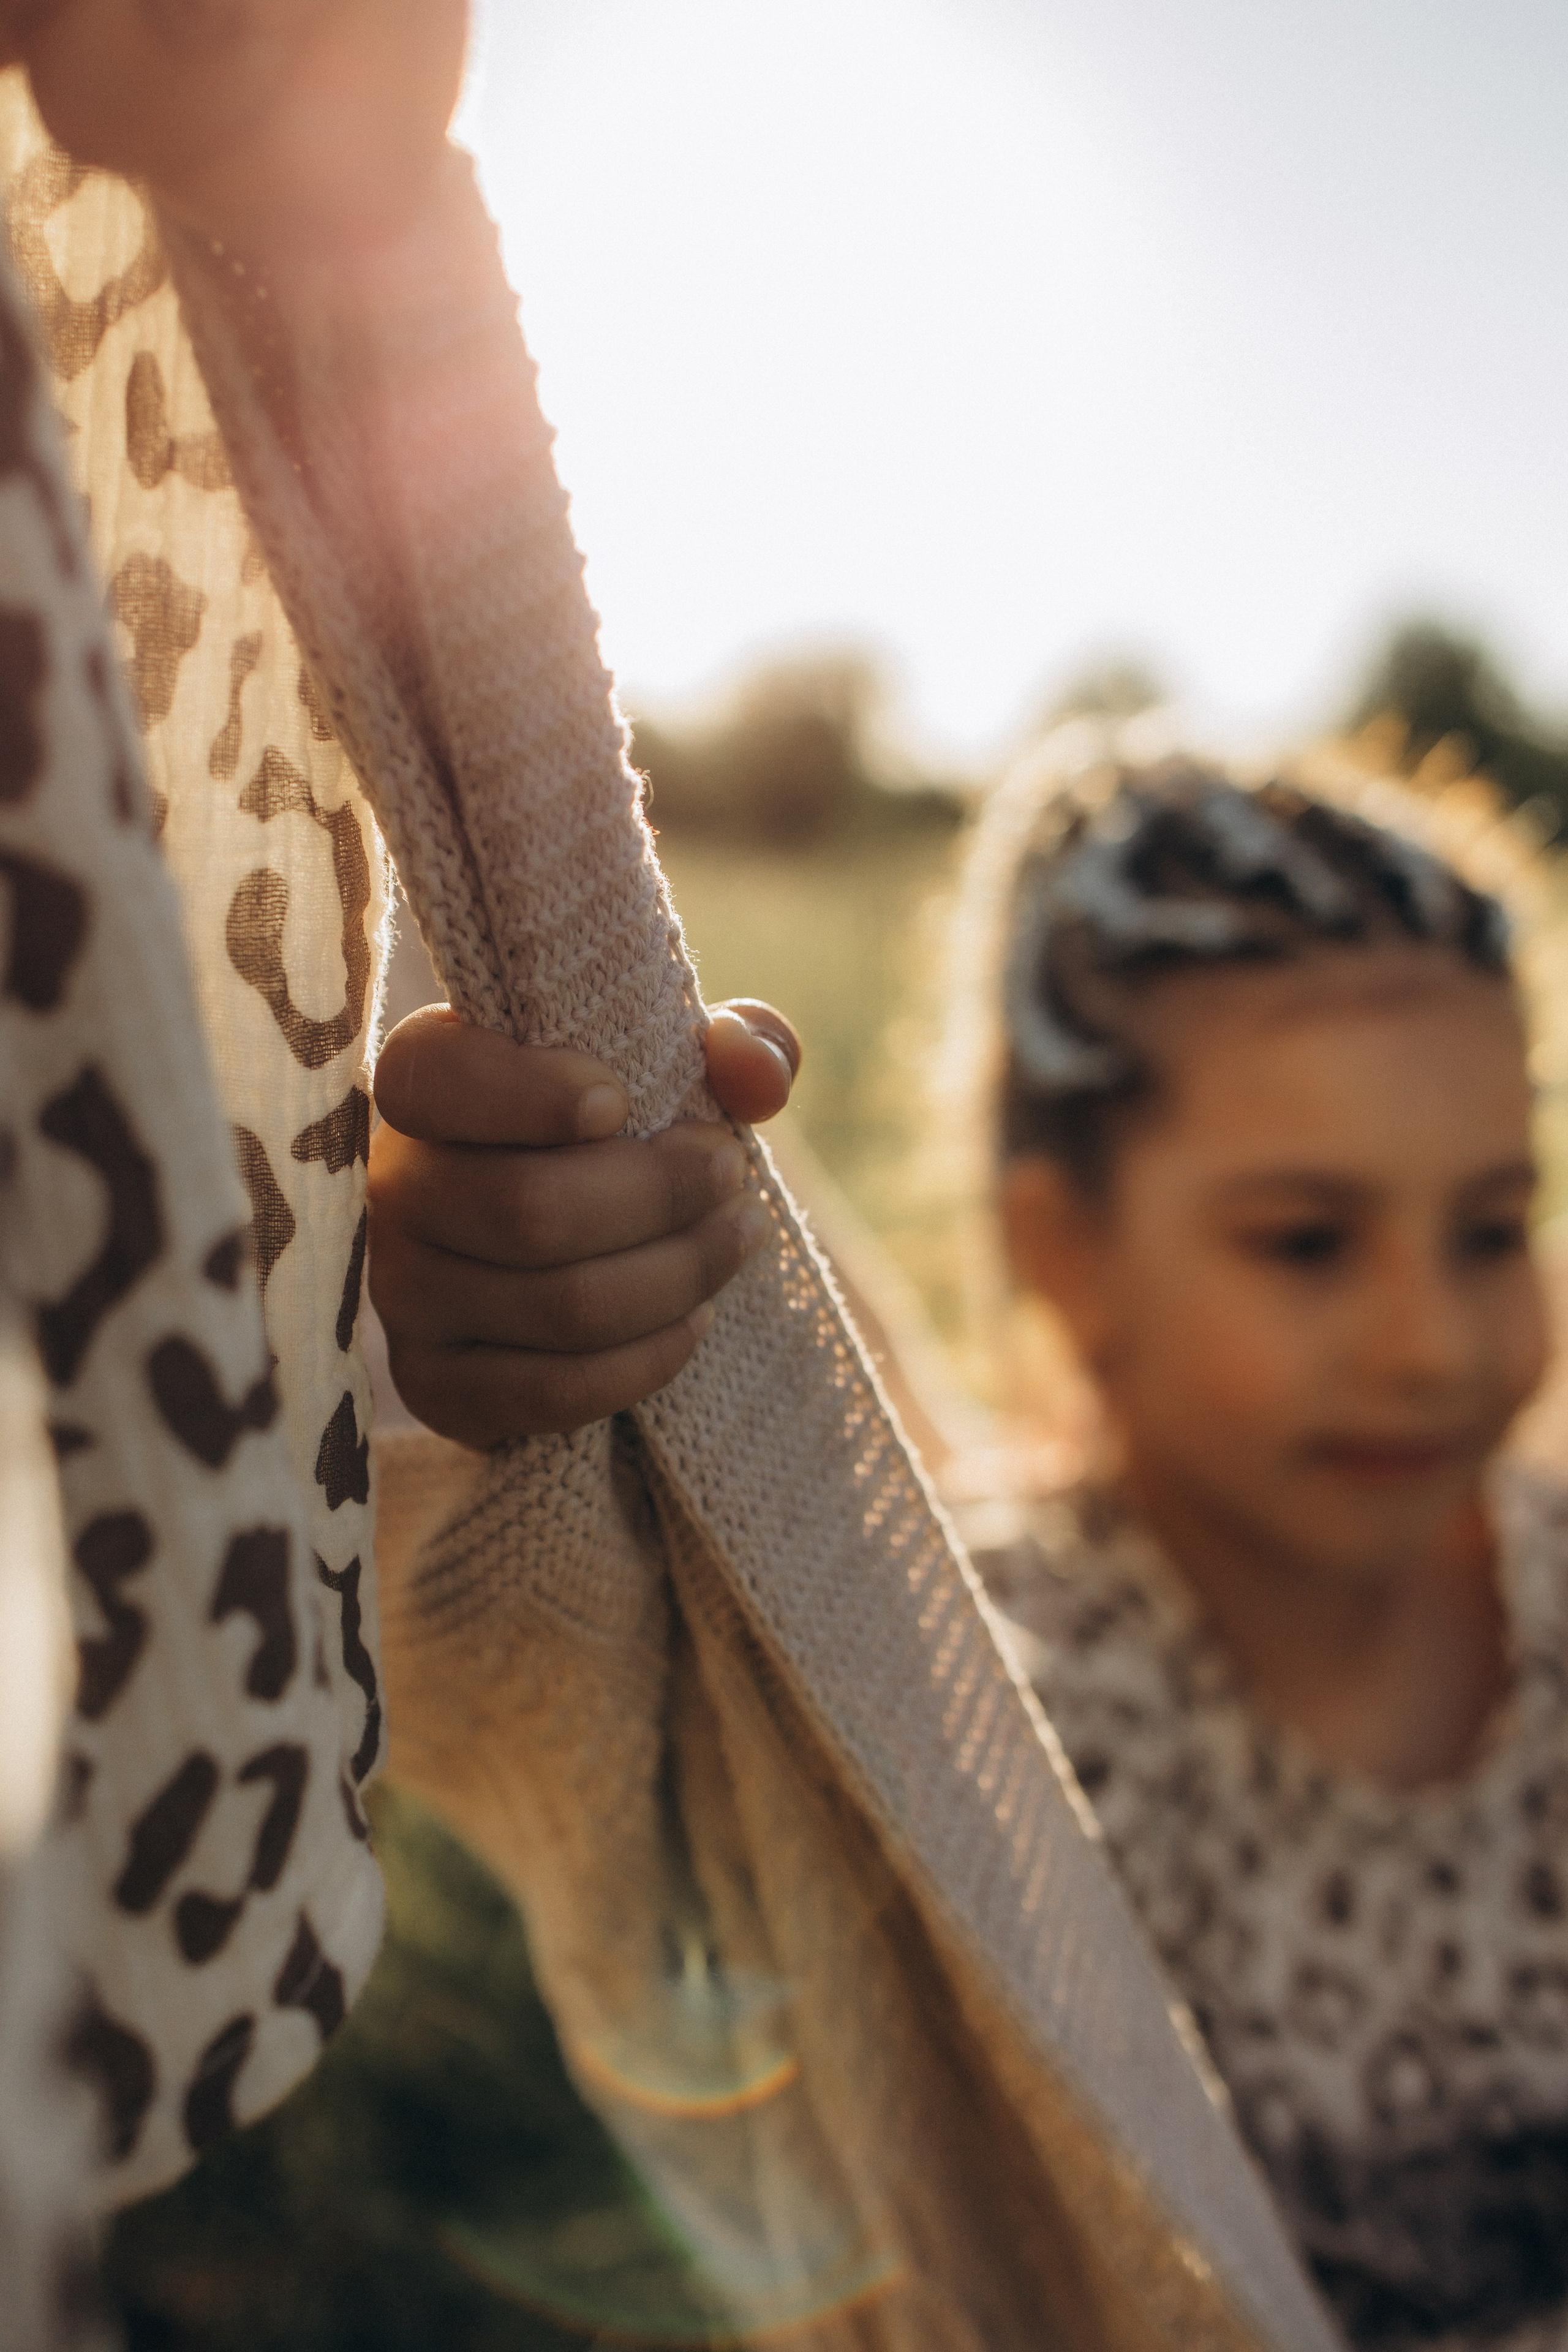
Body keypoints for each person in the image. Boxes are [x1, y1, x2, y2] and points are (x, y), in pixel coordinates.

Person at [368, 744, 1568, 2351]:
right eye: (1309, 1242)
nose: (1430, 1341)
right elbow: (569, 1693)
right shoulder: (991, 1694)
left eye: (1494, 1229)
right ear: (1060, 1249)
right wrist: (499, 1341)